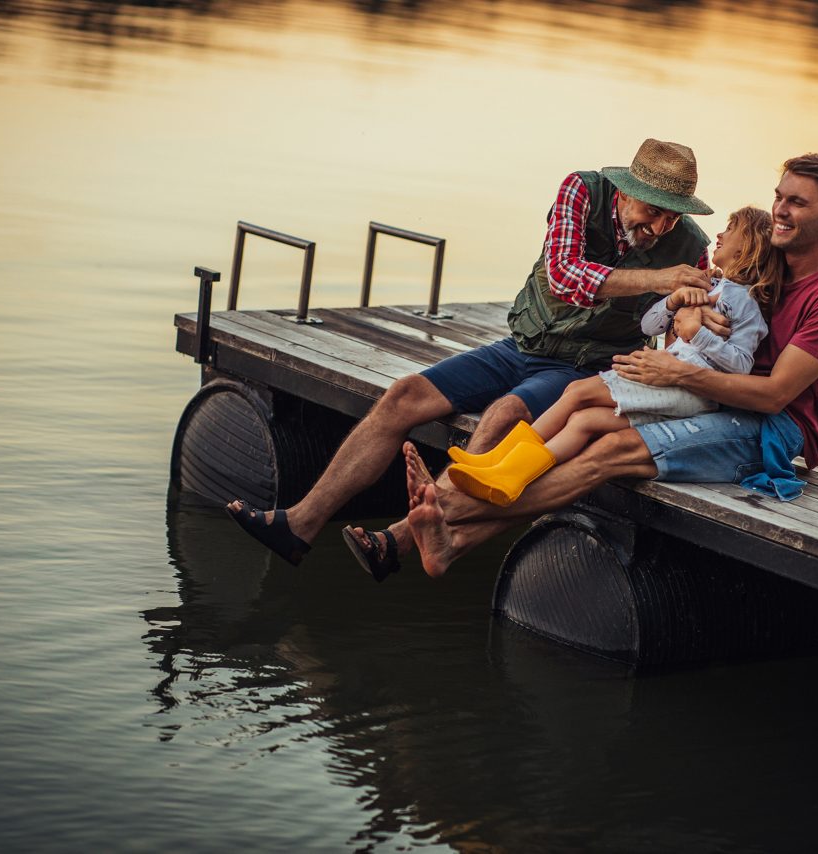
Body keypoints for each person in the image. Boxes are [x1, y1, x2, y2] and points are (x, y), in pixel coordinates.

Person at [227, 138, 717, 577]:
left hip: (585, 368)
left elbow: (680, 328)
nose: (659, 225)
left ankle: (395, 542)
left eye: (672, 215)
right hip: (523, 345)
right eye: (652, 210)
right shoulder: (582, 191)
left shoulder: (691, 248)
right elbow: (566, 276)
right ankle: (299, 523)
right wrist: (657, 279)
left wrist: (690, 318)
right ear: (627, 191)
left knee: (504, 414)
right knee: (404, 395)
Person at [404, 153, 818, 578]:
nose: (781, 212)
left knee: (608, 451)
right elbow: (685, 333)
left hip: (775, 426)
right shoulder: (764, 268)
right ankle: (452, 540)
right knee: (586, 418)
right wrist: (682, 316)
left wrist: (678, 371)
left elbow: (774, 395)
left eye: (798, 203)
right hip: (716, 395)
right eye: (779, 198)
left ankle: (447, 512)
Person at [445, 206, 784, 506]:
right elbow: (649, 326)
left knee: (576, 393)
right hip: (669, 383)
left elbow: (741, 364)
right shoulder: (709, 285)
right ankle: (505, 473)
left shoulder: (745, 302)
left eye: (731, 229)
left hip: (689, 388)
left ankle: (500, 464)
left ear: (749, 247)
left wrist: (697, 333)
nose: (720, 234)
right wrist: (673, 301)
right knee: (583, 420)